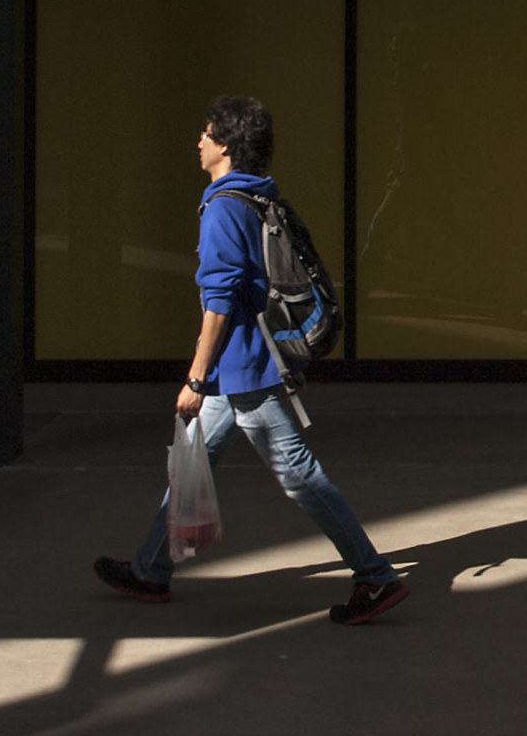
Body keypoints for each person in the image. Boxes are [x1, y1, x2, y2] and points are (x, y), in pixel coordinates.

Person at [95, 94, 404, 626]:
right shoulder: (259, 198)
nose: (199, 140)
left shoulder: (222, 207)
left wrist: (196, 376)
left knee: (301, 476)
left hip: (243, 371)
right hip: (242, 367)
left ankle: (374, 576)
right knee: (193, 466)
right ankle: (150, 569)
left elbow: (219, 301)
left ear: (227, 146)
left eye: (207, 133)